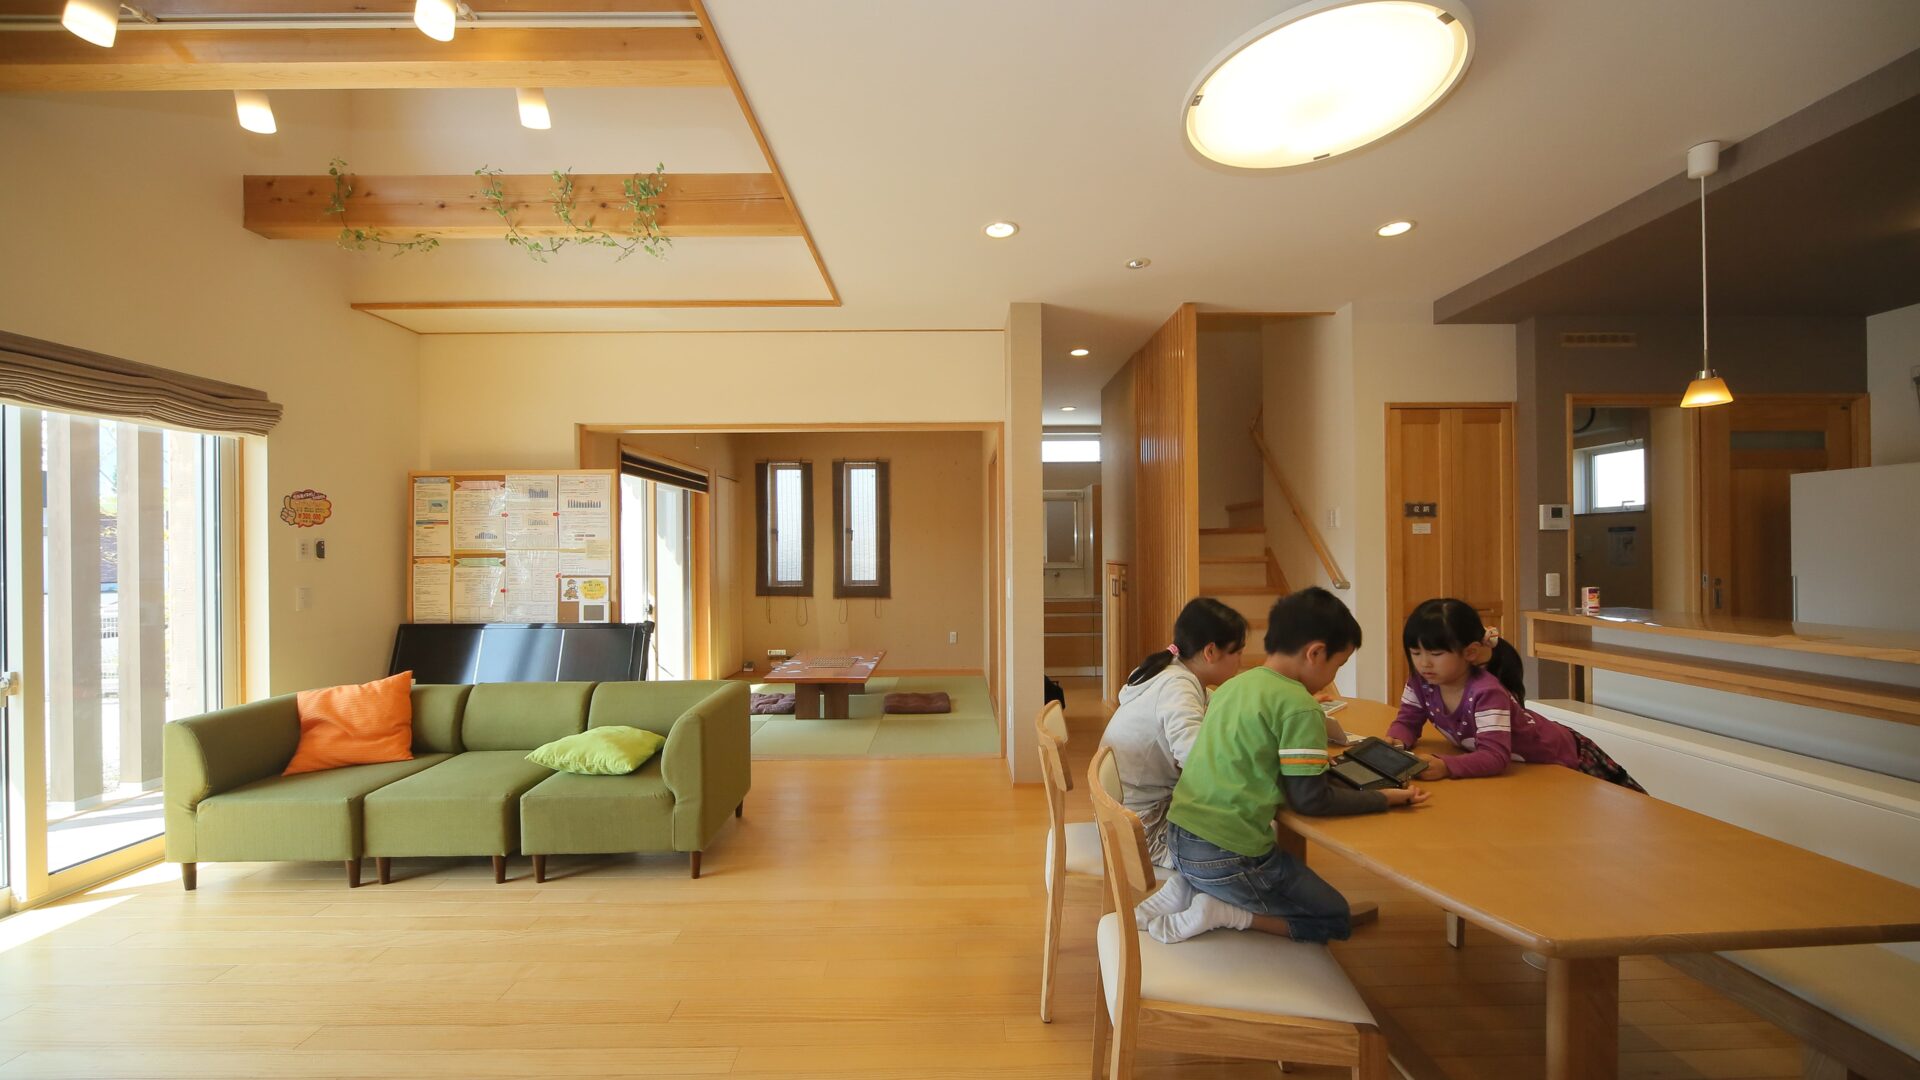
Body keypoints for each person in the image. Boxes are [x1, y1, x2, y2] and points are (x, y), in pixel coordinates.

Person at [1143, 587, 1428, 945]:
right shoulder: (1299, 705)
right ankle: (1225, 911)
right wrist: (1384, 798)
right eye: (1338, 665)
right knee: (1334, 917)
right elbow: (1310, 800)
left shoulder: (1234, 686)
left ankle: (1191, 886)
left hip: (1180, 840)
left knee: (1284, 877)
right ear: (1315, 653)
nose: (1334, 675)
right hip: (1226, 856)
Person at [1390, 597, 1644, 791]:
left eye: (1435, 654)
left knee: (1625, 814)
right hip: (1529, 769)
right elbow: (1408, 721)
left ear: (1470, 652)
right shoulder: (1421, 682)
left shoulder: (1487, 692)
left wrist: (1447, 765)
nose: (1424, 663)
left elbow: (1495, 757)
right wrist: (1397, 741)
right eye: (1415, 653)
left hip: (1565, 758)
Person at [1098, 597, 1247, 869]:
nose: (1241, 660)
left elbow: (1221, 708)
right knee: (1249, 843)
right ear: (1210, 652)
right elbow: (1197, 762)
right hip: (1143, 830)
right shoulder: (1178, 687)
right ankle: (1185, 894)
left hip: (1125, 815)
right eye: (1237, 652)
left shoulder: (1172, 671)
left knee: (1246, 830)